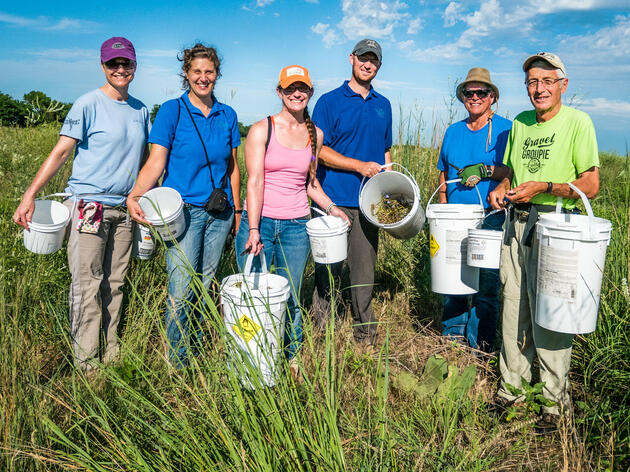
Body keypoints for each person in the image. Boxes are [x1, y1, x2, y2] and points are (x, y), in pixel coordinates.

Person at [13, 37, 150, 371]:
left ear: (135, 66)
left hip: (125, 208)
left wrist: (149, 202)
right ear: (102, 66)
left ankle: (112, 352)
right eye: (113, 64)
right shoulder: (87, 104)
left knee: (115, 283)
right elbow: (61, 152)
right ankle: (86, 364)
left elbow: (147, 161)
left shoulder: (142, 110)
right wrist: (30, 194)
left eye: (126, 63)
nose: (120, 69)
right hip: (90, 206)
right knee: (87, 283)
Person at [488, 52, 600, 429]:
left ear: (563, 85)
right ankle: (511, 391)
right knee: (513, 306)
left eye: (547, 81)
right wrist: (502, 188)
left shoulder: (578, 123)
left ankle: (553, 403)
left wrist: (546, 188)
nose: (539, 89)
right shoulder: (520, 123)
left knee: (552, 312)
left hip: (556, 226)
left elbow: (591, 184)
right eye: (533, 82)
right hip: (517, 224)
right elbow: (509, 171)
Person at [127, 43, 241, 369]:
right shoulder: (172, 111)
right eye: (197, 72)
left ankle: (193, 344)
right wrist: (136, 194)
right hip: (183, 213)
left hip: (219, 213)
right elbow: (155, 161)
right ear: (186, 74)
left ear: (217, 75)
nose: (203, 78)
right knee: (181, 288)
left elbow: (233, 167)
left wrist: (235, 212)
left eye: (209, 72)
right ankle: (177, 363)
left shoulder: (227, 115)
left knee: (205, 283)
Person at [235, 65, 349, 368]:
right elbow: (255, 181)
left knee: (291, 295)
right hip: (258, 224)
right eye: (290, 89)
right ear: (279, 92)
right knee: (253, 296)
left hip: (297, 227)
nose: (296, 94)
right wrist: (254, 228)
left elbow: (311, 184)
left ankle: (291, 358)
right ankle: (253, 358)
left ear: (310, 92)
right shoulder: (262, 129)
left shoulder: (316, 135)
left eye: (302, 89)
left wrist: (333, 209)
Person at [310, 39, 392, 347]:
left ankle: (364, 335)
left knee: (363, 271)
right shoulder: (329, 102)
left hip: (370, 203)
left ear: (379, 66)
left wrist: (387, 187)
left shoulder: (383, 105)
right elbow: (318, 150)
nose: (367, 64)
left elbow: (385, 152)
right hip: (332, 201)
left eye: (373, 60)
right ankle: (322, 334)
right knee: (328, 270)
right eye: (363, 58)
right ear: (351, 59)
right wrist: (359, 166)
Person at [436, 67, 512, 352]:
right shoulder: (453, 131)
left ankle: (481, 345)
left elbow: (512, 170)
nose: (476, 97)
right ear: (463, 97)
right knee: (453, 278)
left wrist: (486, 170)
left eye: (482, 92)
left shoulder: (506, 130)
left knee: (485, 285)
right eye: (470, 92)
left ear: (492, 97)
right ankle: (452, 340)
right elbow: (443, 172)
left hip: (489, 218)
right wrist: (443, 203)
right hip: (453, 218)